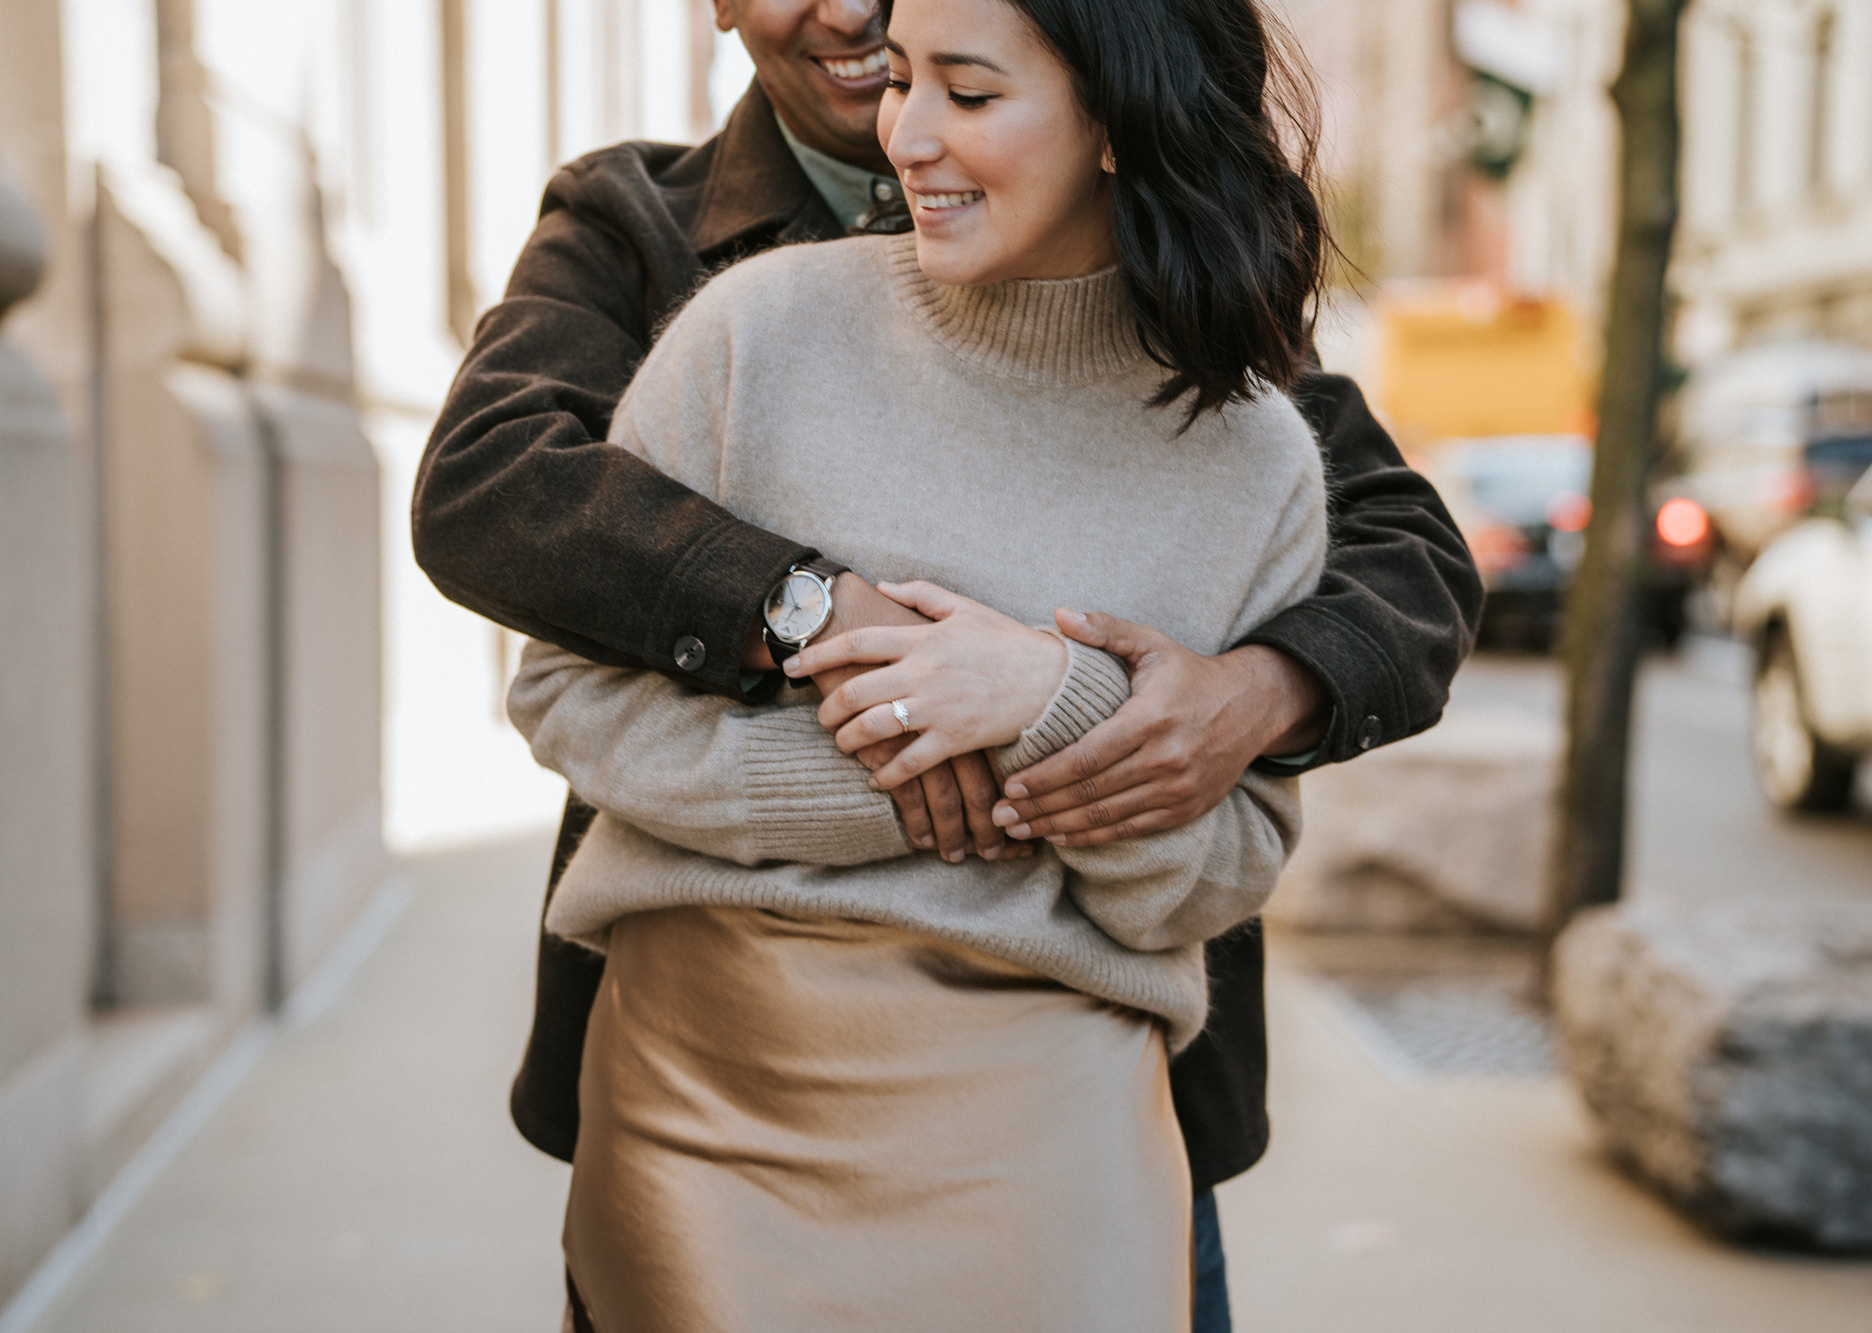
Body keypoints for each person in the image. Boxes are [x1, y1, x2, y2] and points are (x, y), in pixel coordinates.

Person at [414, 0, 1480, 1325]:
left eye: (964, 88)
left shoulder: (1222, 386)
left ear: (1109, 112)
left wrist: (1198, 700)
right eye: (917, 83)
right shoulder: (674, 253)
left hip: (1068, 1115)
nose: (865, 41)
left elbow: (1405, 550)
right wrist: (832, 631)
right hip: (716, 1090)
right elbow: (489, 493)